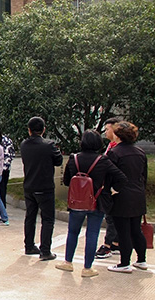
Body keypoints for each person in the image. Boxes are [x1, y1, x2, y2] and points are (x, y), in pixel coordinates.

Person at [56, 130, 127, 277]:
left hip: (77, 202)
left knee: (73, 232)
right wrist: (112, 190)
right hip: (97, 202)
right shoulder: (103, 160)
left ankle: (68, 262)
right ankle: (87, 268)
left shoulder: (74, 158)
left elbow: (67, 181)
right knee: (92, 234)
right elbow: (121, 177)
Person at [106, 122, 148, 273]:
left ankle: (124, 263)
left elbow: (110, 176)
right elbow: (144, 176)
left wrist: (110, 190)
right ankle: (141, 260)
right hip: (138, 194)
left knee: (123, 231)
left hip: (121, 195)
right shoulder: (140, 152)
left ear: (117, 135)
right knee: (136, 230)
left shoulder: (114, 153)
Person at [20, 116, 63, 261]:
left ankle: (29, 246)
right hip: (45, 187)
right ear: (43, 130)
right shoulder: (48, 145)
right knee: (48, 219)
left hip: (29, 186)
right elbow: (58, 161)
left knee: (30, 217)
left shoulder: (24, 145)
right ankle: (45, 251)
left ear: (29, 130)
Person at [95, 116, 123, 259]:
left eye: (107, 129)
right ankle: (116, 243)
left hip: (114, 188)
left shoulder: (117, 150)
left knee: (111, 217)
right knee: (113, 216)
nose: (105, 132)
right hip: (111, 187)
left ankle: (107, 246)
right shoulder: (111, 146)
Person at [0, 132, 15, 215]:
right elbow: (12, 154)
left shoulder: (0, 142)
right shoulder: (8, 140)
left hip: (2, 168)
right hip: (6, 167)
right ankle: (2, 207)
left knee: (1, 188)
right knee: (2, 187)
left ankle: (2, 208)